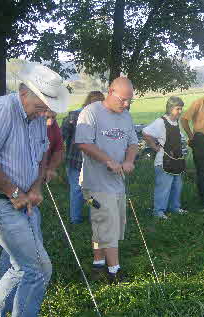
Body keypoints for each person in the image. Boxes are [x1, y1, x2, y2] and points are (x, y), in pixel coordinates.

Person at [0, 62, 69, 316]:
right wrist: (14, 192)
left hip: (24, 201)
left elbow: (41, 156)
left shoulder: (38, 118)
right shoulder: (3, 109)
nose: (46, 110)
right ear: (24, 91)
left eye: (49, 104)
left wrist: (36, 187)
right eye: (42, 102)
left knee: (19, 266)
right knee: (38, 268)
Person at [75, 77, 138, 284]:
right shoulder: (91, 112)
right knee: (108, 223)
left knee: (104, 223)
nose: (126, 104)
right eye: (123, 100)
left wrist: (129, 160)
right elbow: (83, 143)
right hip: (94, 185)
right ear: (111, 92)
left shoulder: (126, 116)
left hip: (117, 183)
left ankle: (98, 263)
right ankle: (114, 272)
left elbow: (132, 143)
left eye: (130, 101)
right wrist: (108, 160)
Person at [61, 91, 105, 224]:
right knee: (77, 190)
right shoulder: (74, 116)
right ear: (89, 103)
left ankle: (97, 215)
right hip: (75, 160)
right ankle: (76, 219)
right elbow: (61, 135)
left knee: (91, 190)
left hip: (93, 161)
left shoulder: (103, 118)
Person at [142, 96, 188, 219]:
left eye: (181, 109)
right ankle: (158, 212)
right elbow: (145, 133)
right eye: (178, 109)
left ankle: (175, 207)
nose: (180, 111)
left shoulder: (176, 122)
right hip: (163, 161)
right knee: (163, 188)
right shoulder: (161, 121)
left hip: (177, 160)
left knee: (177, 186)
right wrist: (154, 146)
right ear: (170, 108)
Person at [45, 110, 64, 182]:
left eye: (53, 117)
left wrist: (51, 168)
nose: (50, 122)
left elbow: (59, 149)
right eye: (47, 117)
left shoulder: (54, 125)